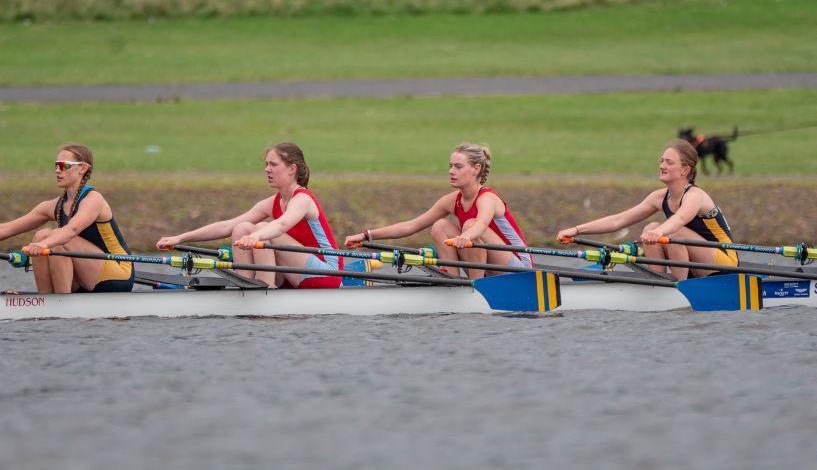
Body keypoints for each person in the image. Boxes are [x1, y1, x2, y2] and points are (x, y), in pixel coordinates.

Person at [0, 143, 134, 293]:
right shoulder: (54, 206)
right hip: (86, 274)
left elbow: (72, 230)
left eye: (63, 166)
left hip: (118, 274)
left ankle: (61, 305)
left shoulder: (93, 200)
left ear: (83, 169)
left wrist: (44, 245)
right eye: (56, 166)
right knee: (42, 235)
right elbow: (7, 228)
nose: (57, 170)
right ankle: (45, 301)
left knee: (49, 238)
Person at [156, 142, 342, 289]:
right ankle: (245, 285)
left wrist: (256, 236)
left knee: (260, 228)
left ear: (292, 169)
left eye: (273, 164)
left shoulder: (303, 199)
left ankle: (266, 289)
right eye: (266, 164)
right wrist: (180, 238)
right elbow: (226, 226)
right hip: (297, 271)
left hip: (328, 273)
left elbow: (282, 225)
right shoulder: (273, 202)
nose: (266, 169)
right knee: (241, 228)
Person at [344, 143, 533, 279]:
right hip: (489, 263)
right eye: (450, 166)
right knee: (440, 226)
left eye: (458, 167)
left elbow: (481, 224)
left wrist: (466, 236)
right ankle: (453, 279)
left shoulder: (488, 198)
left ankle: (476, 286)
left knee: (470, 223)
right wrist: (366, 235)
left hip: (519, 267)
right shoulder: (452, 201)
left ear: (476, 169)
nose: (452, 171)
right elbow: (411, 225)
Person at [556, 139, 738, 280]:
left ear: (684, 170)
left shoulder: (695, 195)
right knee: (650, 227)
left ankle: (677, 289)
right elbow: (618, 220)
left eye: (668, 162)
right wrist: (577, 230)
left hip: (725, 262)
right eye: (661, 161)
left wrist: (657, 232)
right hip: (697, 262)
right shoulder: (659, 197)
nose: (662, 166)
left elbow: (680, 219)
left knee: (670, 231)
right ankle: (657, 282)